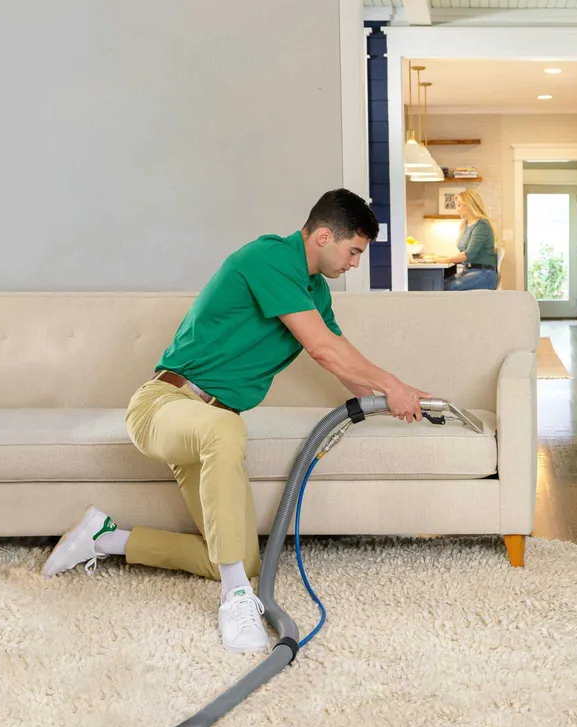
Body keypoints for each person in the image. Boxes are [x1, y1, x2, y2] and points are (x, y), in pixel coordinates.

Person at [39, 189, 430, 654]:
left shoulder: (316, 291)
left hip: (209, 429)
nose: (354, 264)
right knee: (227, 433)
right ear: (324, 236)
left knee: (238, 556)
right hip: (165, 406)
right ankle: (235, 599)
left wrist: (397, 400)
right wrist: (393, 383)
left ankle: (104, 539)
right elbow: (324, 349)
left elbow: (340, 361)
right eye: (353, 252)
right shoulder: (268, 257)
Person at [438, 190, 499, 291]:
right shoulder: (466, 225)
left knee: (446, 288)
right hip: (470, 272)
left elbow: (468, 254)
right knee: (438, 284)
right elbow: (462, 252)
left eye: (459, 205)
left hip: (484, 274)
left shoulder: (481, 225)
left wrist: (446, 259)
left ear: (469, 205)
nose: (457, 210)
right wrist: (444, 258)